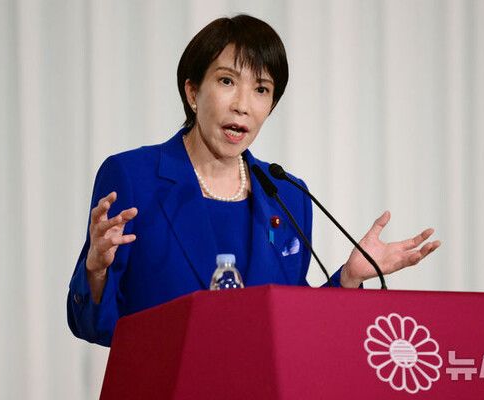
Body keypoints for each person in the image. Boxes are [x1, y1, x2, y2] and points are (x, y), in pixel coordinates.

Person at [67, 14, 440, 347]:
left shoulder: (287, 196)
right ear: (193, 92)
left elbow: (294, 323)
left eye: (261, 89)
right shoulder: (133, 177)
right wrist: (95, 269)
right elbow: (96, 326)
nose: (242, 105)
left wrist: (349, 278)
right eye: (227, 81)